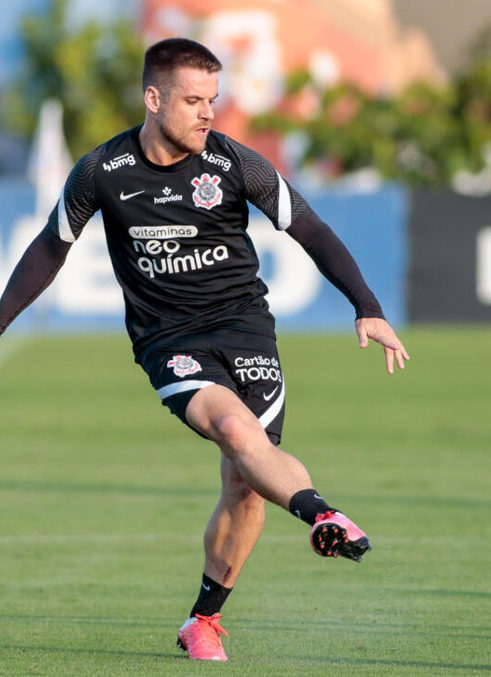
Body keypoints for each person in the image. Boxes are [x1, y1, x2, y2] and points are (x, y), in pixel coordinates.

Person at [0, 37, 409, 662]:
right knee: (232, 426)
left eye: (213, 100)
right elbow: (50, 250)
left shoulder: (233, 164)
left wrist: (368, 306)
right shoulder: (100, 172)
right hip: (169, 339)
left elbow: (312, 229)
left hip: (247, 328)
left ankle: (203, 620)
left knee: (246, 484)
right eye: (193, 100)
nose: (207, 113)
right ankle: (324, 514)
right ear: (153, 97)